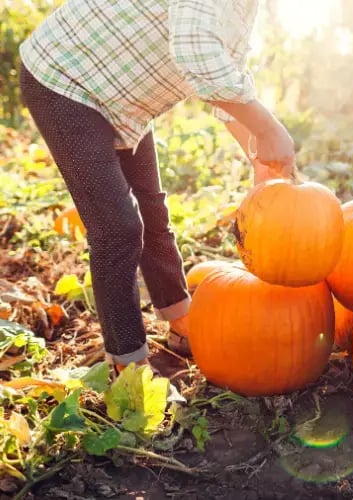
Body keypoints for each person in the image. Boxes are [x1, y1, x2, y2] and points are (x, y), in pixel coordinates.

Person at [18, 0, 295, 392]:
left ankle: (180, 318)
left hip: (118, 96)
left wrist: (258, 154)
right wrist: (266, 127)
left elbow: (226, 75)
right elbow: (193, 51)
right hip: (64, 82)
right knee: (118, 228)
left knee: (152, 208)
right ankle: (128, 365)